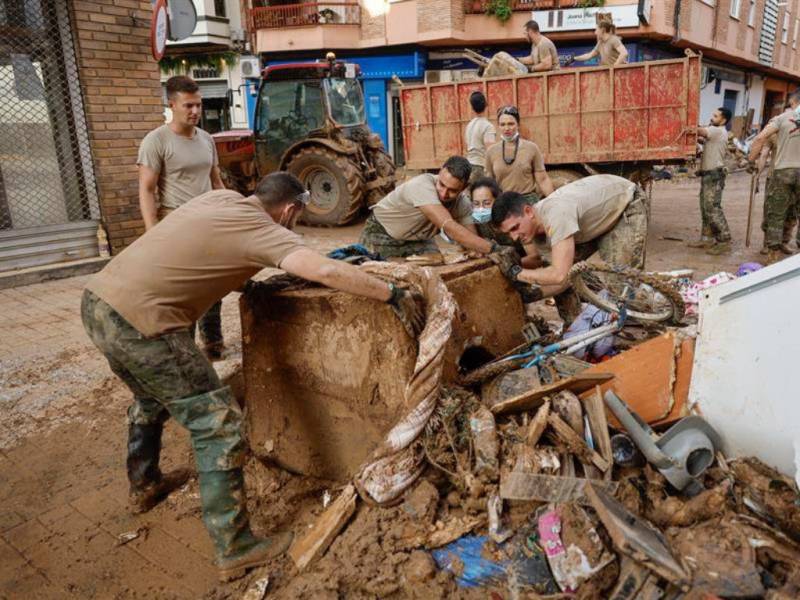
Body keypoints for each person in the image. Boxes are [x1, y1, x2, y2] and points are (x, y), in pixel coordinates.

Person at [81, 173, 423, 581]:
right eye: (296, 218)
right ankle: (235, 547)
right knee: (218, 425)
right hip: (145, 325)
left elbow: (214, 253)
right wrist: (391, 294)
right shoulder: (265, 229)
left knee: (152, 396)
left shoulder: (223, 200)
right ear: (291, 209)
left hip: (99, 303)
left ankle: (145, 483)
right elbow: (324, 272)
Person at [138, 75, 227, 360]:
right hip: (176, 224)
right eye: (188, 105)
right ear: (172, 104)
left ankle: (213, 342)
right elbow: (147, 189)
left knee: (213, 284)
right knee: (185, 291)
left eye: (198, 105)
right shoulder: (156, 140)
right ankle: (185, 351)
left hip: (210, 222)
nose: (195, 111)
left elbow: (216, 180)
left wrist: (229, 211)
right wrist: (152, 231)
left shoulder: (206, 139)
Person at [490, 174, 647, 323]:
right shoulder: (535, 234)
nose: (515, 237)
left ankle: (664, 316)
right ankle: (577, 326)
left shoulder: (556, 215)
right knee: (558, 272)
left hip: (624, 203)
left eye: (515, 227)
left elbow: (559, 275)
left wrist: (517, 273)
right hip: (592, 220)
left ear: (528, 212)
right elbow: (562, 279)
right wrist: (534, 293)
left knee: (621, 284)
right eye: (509, 233)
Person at [359, 156, 498, 258]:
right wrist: (494, 249)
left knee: (435, 274)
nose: (444, 194)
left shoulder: (462, 203)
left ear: (464, 188)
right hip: (381, 234)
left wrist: (479, 250)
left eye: (453, 190)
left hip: (419, 240)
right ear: (440, 172)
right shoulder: (421, 185)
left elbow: (472, 239)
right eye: (441, 185)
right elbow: (448, 226)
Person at [750, 89, 800, 264]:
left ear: (792, 102)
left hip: (782, 172)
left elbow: (759, 140)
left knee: (776, 215)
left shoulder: (781, 119)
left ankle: (772, 255)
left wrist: (750, 162)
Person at [485, 106, 554, 204]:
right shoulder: (491, 152)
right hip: (504, 203)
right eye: (502, 124)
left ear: (518, 125)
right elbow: (489, 184)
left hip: (527, 202)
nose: (507, 128)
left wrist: (554, 201)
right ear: (498, 126)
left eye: (511, 124)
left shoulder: (531, 148)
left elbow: (543, 180)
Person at [688, 107, 733, 255]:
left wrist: (689, 123)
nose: (712, 118)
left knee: (712, 208)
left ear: (723, 120)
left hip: (714, 175)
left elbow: (701, 132)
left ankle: (724, 239)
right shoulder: (716, 132)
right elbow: (702, 137)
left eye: (716, 116)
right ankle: (706, 238)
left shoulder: (717, 131)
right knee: (705, 207)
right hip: (709, 175)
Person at [464, 91, 496, 183]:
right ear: (486, 105)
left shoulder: (469, 125)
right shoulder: (488, 126)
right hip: (480, 167)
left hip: (469, 165)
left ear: (472, 108)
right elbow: (490, 150)